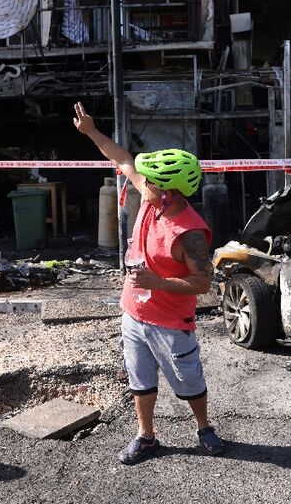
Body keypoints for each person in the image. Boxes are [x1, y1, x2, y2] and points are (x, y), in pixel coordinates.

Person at [72, 101, 223, 465]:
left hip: (172, 324)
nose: (142, 184)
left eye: (151, 183)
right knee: (140, 380)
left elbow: (203, 285)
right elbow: (123, 159)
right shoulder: (152, 198)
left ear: (170, 192)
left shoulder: (190, 233)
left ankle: (203, 427)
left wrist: (157, 281)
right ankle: (146, 436)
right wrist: (91, 132)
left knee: (188, 382)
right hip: (134, 314)